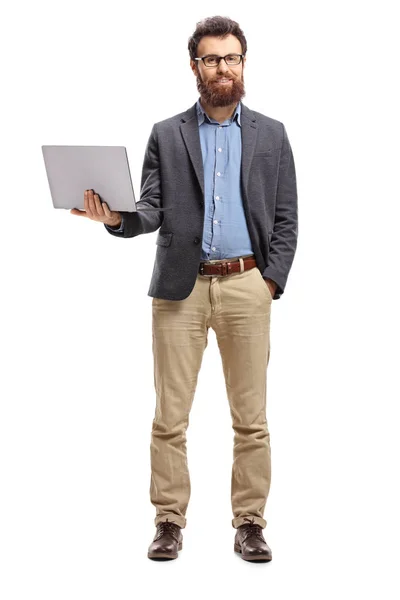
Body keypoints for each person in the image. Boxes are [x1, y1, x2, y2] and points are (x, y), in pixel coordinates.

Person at [71, 15, 298, 562]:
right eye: (213, 58)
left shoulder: (271, 133)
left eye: (233, 58)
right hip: (180, 290)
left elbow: (287, 217)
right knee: (169, 415)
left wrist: (270, 281)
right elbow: (151, 209)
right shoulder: (167, 133)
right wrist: (114, 219)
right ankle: (169, 521)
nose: (224, 68)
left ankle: (250, 522)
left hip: (247, 286)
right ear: (194, 66)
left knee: (252, 418)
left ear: (244, 63)